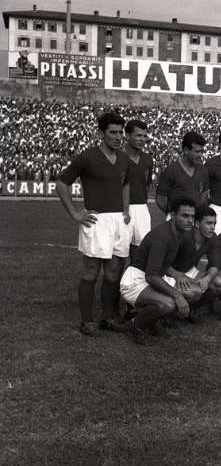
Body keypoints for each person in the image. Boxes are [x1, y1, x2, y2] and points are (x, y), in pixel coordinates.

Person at [56, 112, 131, 336]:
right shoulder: (87, 157)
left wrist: (126, 210)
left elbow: (125, 184)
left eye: (120, 132)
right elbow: (62, 184)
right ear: (101, 133)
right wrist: (75, 214)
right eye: (113, 132)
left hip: (118, 221)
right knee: (91, 272)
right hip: (96, 220)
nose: (118, 137)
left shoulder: (123, 158)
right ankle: (87, 321)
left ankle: (108, 317)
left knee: (113, 272)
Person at [120, 197, 199, 344]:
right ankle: (135, 324)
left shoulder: (179, 232)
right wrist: (178, 296)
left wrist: (177, 274)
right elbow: (151, 276)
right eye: (185, 216)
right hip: (135, 281)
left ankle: (151, 319)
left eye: (192, 216)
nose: (190, 220)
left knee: (195, 291)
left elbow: (162, 265)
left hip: (154, 276)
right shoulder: (162, 237)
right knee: (169, 303)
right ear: (173, 215)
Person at [166, 205, 221, 322]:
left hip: (189, 270)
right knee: (195, 291)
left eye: (214, 223)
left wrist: (207, 278)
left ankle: (190, 310)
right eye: (209, 223)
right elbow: (163, 264)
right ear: (197, 224)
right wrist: (178, 275)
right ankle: (168, 313)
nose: (213, 227)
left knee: (219, 283)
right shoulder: (183, 236)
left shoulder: (212, 237)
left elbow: (214, 266)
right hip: (170, 273)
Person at [155, 131, 209, 216]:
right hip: (176, 220)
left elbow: (204, 195)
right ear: (186, 150)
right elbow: (160, 199)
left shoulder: (203, 170)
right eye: (197, 151)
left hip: (196, 218)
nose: (200, 155)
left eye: (201, 151)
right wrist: (173, 215)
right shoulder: (171, 170)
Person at [123, 119, 154, 261]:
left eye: (144, 136)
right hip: (121, 208)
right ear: (127, 135)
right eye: (138, 135)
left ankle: (134, 276)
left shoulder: (148, 159)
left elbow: (146, 184)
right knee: (118, 256)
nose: (142, 139)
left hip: (142, 208)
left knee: (140, 255)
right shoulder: (118, 157)